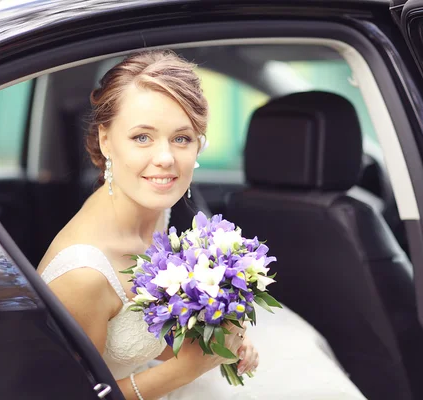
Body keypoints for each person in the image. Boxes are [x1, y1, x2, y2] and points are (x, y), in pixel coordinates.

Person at [37, 50, 366, 400]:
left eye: (181, 138)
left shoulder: (156, 214)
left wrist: (217, 338)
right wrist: (186, 369)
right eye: (142, 137)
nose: (165, 159)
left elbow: (137, 337)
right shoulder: (83, 276)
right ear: (106, 140)